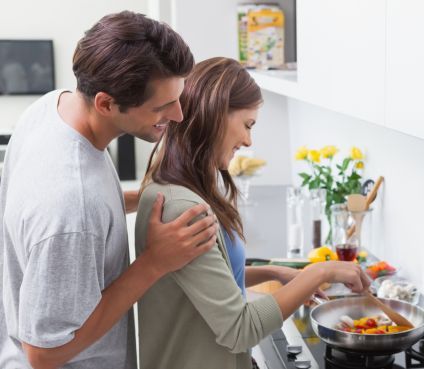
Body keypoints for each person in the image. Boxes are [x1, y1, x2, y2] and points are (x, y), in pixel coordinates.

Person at [0, 11, 218, 369]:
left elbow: (79, 213)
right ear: (105, 103)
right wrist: (153, 264)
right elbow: (43, 353)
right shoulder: (71, 204)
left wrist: (146, 200)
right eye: (162, 106)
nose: (178, 115)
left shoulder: (52, 107)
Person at [135, 57, 371, 369]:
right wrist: (320, 272)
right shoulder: (183, 208)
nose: (248, 141)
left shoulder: (184, 189)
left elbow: (205, 280)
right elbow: (239, 329)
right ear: (215, 114)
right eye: (247, 125)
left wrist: (274, 273)